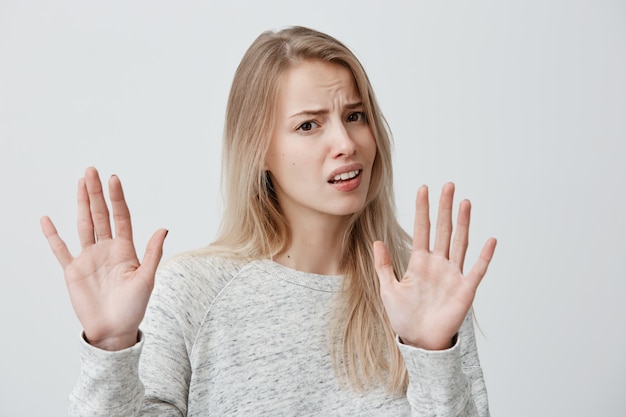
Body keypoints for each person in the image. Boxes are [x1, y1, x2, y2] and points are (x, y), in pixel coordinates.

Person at [41, 26, 497, 416]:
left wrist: (433, 355)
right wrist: (111, 347)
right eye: (308, 125)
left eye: (355, 116)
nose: (346, 142)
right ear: (259, 149)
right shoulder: (194, 290)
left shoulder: (420, 289)